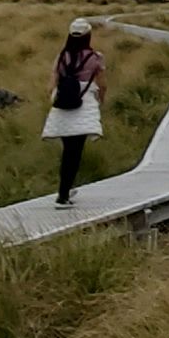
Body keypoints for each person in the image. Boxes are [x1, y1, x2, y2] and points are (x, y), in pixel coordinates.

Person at [46, 17, 105, 205]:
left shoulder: (62, 56)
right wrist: (100, 102)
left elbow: (51, 82)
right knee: (75, 151)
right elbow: (102, 85)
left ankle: (64, 191)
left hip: (62, 104)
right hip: (83, 103)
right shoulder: (95, 57)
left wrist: (54, 99)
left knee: (67, 149)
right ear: (88, 36)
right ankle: (64, 194)